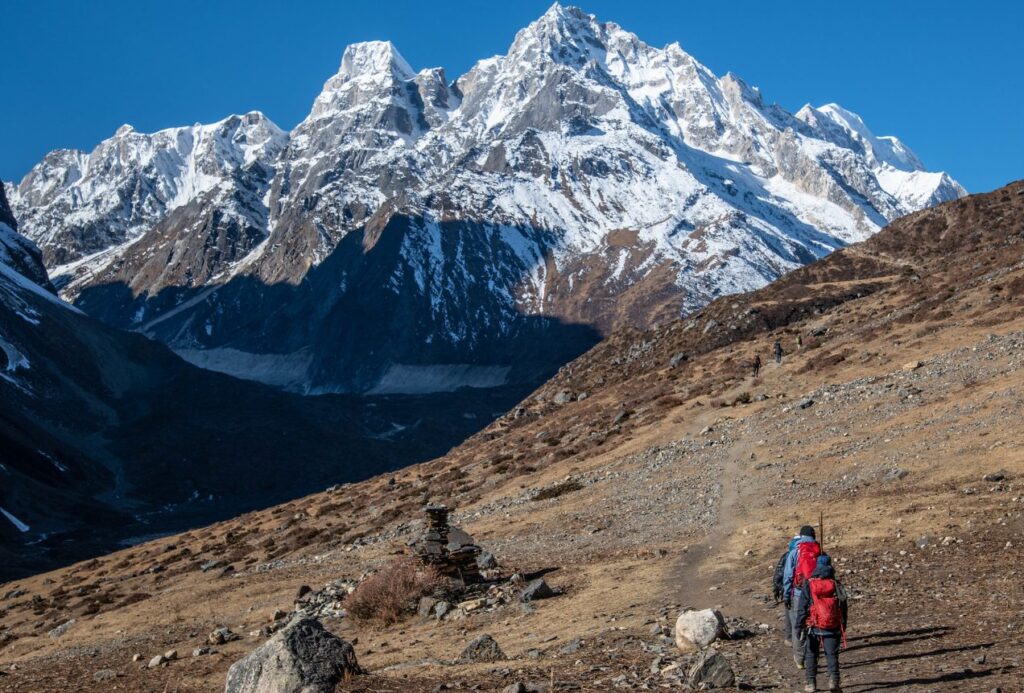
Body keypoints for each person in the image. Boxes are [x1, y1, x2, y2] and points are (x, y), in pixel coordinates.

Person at [796, 555, 848, 692]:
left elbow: (802, 608)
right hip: (833, 626)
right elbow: (843, 606)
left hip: (813, 626)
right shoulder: (836, 584)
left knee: (811, 654)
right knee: (832, 655)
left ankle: (811, 683)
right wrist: (843, 625)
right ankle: (834, 682)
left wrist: (799, 626)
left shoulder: (809, 584)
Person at [783, 525, 821, 669]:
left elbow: (788, 576)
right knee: (814, 623)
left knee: (797, 625)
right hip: (816, 594)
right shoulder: (819, 551)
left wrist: (787, 596)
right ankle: (813, 657)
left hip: (798, 594)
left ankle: (800, 659)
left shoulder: (795, 552)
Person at [773, 533, 802, 645]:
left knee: (790, 613)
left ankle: (790, 638)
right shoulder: (809, 552)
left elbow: (781, 574)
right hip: (803, 589)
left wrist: (781, 589)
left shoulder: (788, 555)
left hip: (790, 589)